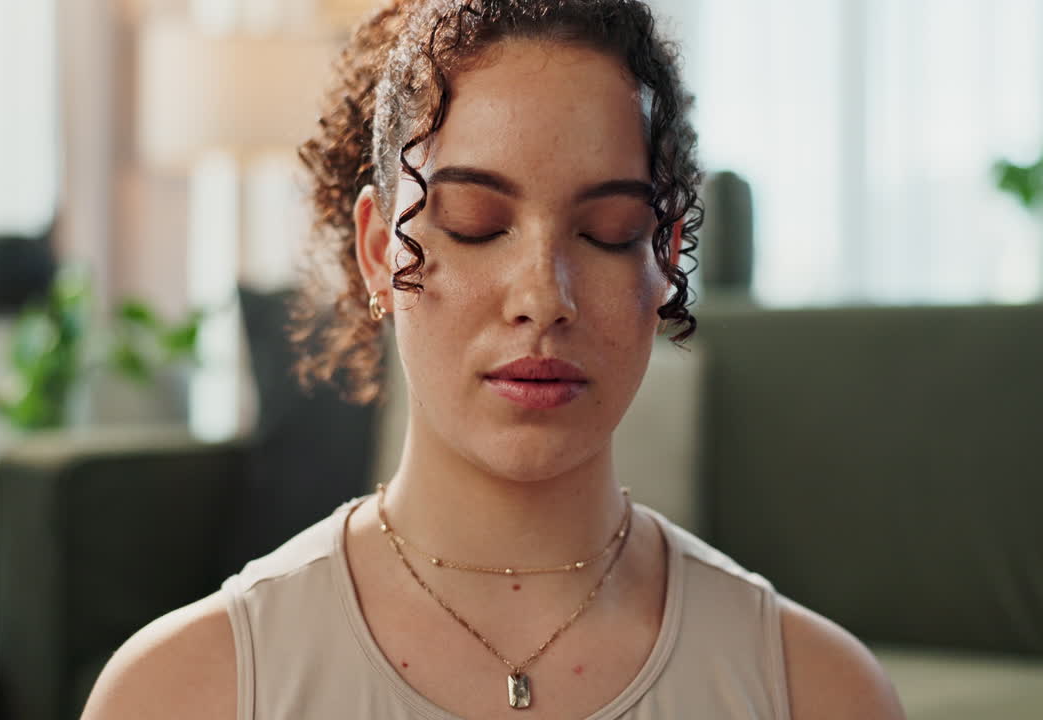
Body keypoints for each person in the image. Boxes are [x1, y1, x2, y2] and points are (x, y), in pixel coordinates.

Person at [83, 1, 905, 718]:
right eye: (477, 223)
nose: (543, 296)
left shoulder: (819, 691)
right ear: (379, 251)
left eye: (607, 232)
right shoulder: (182, 692)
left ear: (666, 256)